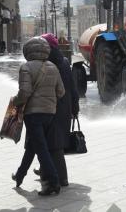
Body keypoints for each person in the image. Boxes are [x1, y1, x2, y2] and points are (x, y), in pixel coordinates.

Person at [12, 36, 65, 196]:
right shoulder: (53, 67)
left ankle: (53, 182)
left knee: (41, 149)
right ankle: (20, 175)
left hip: (33, 115)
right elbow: (61, 92)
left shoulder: (26, 67)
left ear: (28, 50)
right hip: (50, 114)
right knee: (33, 146)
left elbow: (25, 92)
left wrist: (15, 101)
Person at [37, 33, 80, 187]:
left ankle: (61, 178)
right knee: (55, 143)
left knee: (53, 145)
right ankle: (46, 170)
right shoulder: (64, 61)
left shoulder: (46, 63)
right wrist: (75, 108)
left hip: (51, 107)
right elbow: (73, 88)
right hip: (65, 108)